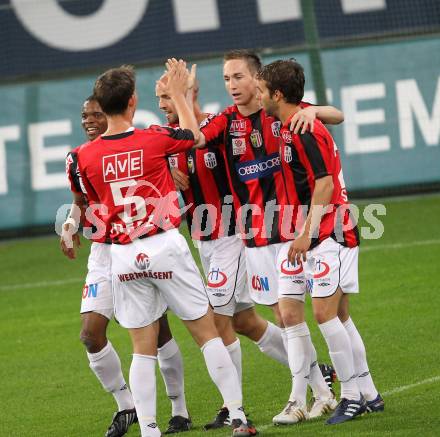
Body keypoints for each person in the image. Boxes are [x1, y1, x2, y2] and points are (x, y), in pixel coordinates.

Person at [68, 62, 256, 437]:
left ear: (101, 109)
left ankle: (149, 429)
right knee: (206, 332)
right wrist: (183, 94)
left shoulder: (82, 156)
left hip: (122, 253)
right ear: (133, 101)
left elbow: (91, 203)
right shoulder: (154, 138)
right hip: (164, 243)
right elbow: (196, 136)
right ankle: (238, 417)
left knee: (141, 348)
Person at [196, 49, 343, 423]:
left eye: (239, 77)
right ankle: (323, 391)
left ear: (258, 80)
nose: (232, 85)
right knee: (283, 315)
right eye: (226, 78)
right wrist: (186, 98)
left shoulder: (276, 111)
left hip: (289, 230)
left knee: (294, 313)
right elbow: (194, 138)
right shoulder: (226, 122)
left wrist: (313, 110)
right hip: (254, 234)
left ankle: (315, 394)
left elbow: (336, 115)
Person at [157, 75, 294, 430]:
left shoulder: (217, 129)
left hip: (231, 234)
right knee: (244, 322)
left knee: (216, 321)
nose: (162, 105)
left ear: (189, 94)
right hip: (202, 238)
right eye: (160, 98)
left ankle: (234, 407)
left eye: (167, 97)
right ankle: (315, 371)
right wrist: (168, 171)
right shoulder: (166, 142)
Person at [256, 59, 383, 425]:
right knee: (338, 315)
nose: (259, 95)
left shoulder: (304, 130)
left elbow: (324, 184)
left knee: (325, 314)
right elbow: (333, 114)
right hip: (321, 231)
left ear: (277, 95)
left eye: (263, 90)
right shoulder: (293, 120)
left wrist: (306, 234)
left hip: (332, 231)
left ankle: (352, 396)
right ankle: (369, 393)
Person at [61, 96, 191, 436]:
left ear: (112, 115)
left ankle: (179, 408)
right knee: (90, 335)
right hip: (103, 254)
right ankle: (126, 405)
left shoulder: (135, 147)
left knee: (159, 333)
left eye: (96, 114)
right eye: (84, 115)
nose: (88, 120)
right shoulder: (78, 158)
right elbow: (79, 203)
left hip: (137, 247)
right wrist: (71, 225)